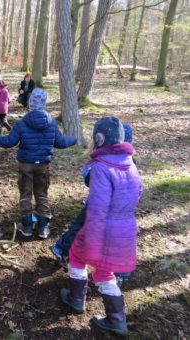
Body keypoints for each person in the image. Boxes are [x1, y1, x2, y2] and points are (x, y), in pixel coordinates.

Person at [60, 117, 142, 336]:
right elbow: (137, 194)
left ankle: (76, 298)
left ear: (99, 139)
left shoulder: (101, 167)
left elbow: (96, 209)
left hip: (102, 229)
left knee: (77, 255)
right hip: (125, 229)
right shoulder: (130, 164)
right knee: (105, 270)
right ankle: (116, 319)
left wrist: (93, 245)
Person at [0, 88, 77, 239]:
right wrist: (74, 138)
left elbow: (8, 142)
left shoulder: (23, 123)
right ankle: (43, 227)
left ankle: (27, 225)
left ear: (30, 104)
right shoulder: (51, 123)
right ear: (44, 104)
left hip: (25, 164)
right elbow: (61, 142)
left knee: (25, 193)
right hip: (43, 165)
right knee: (42, 193)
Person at [51, 123, 135, 287]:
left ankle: (63, 251)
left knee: (81, 228)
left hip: (98, 209)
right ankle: (120, 273)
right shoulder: (131, 163)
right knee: (119, 239)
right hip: (121, 212)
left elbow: (90, 181)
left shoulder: (101, 162)